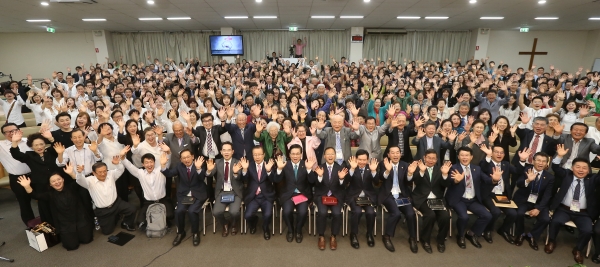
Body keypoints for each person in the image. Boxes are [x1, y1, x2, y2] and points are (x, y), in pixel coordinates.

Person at [16, 162, 93, 251]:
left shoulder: (71, 187)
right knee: (72, 246)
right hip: (65, 225)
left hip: (80, 220)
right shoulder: (49, 195)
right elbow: (35, 196)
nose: (57, 182)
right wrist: (27, 186)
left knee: (87, 240)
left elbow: (79, 182)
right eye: (53, 181)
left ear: (63, 180)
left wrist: (72, 173)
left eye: (59, 179)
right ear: (50, 184)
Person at [547, 150, 600, 265]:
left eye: (584, 168)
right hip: (564, 209)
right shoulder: (566, 175)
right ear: (572, 168)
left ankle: (578, 249)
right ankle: (552, 241)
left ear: (589, 170)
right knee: (555, 221)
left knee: (587, 230)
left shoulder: (592, 179)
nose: (581, 170)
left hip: (583, 213)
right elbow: (556, 168)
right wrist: (559, 156)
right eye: (578, 167)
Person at [446, 147, 501, 249]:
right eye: (462, 155)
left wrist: (494, 180)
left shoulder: (477, 169)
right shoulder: (453, 168)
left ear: (471, 157)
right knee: (464, 217)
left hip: (472, 199)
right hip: (459, 199)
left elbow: (486, 180)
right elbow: (449, 180)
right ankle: (460, 235)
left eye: (467, 155)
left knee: (487, 216)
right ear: (458, 157)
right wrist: (456, 181)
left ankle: (472, 233)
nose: (464, 157)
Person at [10, 130, 65, 225]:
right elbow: (16, 154)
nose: (39, 147)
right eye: (36, 145)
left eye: (41, 144)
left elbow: (58, 146)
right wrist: (14, 142)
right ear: (31, 146)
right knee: (45, 207)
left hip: (56, 183)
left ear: (45, 144)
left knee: (60, 204)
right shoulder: (29, 155)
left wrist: (51, 138)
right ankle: (51, 230)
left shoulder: (51, 152)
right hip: (41, 186)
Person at [75, 151, 136, 235]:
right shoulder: (89, 181)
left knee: (132, 209)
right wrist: (79, 173)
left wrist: (117, 164)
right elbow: (79, 180)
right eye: (100, 172)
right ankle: (114, 217)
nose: (103, 174)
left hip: (117, 203)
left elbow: (121, 169)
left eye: (105, 171)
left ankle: (126, 223)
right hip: (103, 210)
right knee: (107, 232)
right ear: (94, 173)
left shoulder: (111, 174)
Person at [407, 150, 452, 254]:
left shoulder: (440, 169)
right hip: (422, 198)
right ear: (424, 157)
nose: (431, 160)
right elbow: (415, 181)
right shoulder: (419, 168)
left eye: (433, 158)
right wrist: (422, 172)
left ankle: (441, 241)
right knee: (430, 215)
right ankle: (425, 240)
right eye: (429, 158)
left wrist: (445, 174)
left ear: (436, 160)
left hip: (437, 199)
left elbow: (445, 184)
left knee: (445, 216)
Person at [375, 146, 418, 253]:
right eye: (392, 153)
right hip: (388, 195)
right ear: (388, 155)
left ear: (400, 154)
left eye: (397, 152)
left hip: (402, 195)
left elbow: (409, 181)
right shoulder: (383, 164)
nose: (395, 155)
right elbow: (381, 178)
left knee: (410, 214)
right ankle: (387, 237)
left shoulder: (405, 165)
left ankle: (412, 238)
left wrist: (410, 174)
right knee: (396, 213)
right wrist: (388, 171)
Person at [161, 149, 207, 247]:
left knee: (192, 211)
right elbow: (169, 174)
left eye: (188, 157)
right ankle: (180, 232)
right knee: (178, 211)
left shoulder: (199, 164)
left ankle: (195, 233)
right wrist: (163, 166)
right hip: (185, 194)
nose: (186, 159)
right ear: (181, 160)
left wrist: (198, 169)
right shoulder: (179, 166)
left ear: (192, 157)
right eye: (184, 158)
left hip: (198, 194)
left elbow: (202, 178)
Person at [478, 145, 521, 244]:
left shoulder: (506, 164)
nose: (499, 154)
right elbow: (482, 168)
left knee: (513, 213)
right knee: (495, 211)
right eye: (496, 152)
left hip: (502, 194)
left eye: (501, 152)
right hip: (488, 194)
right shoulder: (486, 163)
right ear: (492, 153)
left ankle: (503, 230)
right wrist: (488, 157)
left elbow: (517, 171)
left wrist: (522, 160)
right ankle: (487, 230)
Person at [273, 144, 316, 243]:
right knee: (287, 211)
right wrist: (279, 169)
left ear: (301, 155)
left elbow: (312, 181)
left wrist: (309, 169)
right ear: (289, 154)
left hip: (302, 194)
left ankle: (298, 230)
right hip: (288, 194)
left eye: (297, 154)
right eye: (293, 154)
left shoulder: (306, 164)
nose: (295, 156)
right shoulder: (284, 164)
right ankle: (290, 230)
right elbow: (276, 179)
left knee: (303, 212)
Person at [512, 150, 554, 251]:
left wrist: (538, 208)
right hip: (523, 200)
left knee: (546, 219)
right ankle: (520, 234)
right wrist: (527, 180)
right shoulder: (526, 170)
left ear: (546, 163)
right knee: (519, 213)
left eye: (544, 161)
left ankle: (532, 236)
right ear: (533, 161)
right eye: (538, 160)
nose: (541, 163)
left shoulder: (550, 177)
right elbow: (519, 183)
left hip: (538, 203)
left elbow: (547, 195)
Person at [122, 151, 174, 229]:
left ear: (154, 162)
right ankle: (157, 220)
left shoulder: (161, 170)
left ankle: (163, 220)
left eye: (151, 162)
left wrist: (169, 153)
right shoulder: (140, 173)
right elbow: (129, 166)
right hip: (148, 202)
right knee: (140, 222)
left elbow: (167, 162)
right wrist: (122, 157)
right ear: (143, 164)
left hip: (162, 200)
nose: (149, 165)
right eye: (146, 162)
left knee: (170, 215)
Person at [310, 147, 349, 250]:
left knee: (337, 213)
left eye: (332, 154)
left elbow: (343, 186)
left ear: (335, 156)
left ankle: (333, 236)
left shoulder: (340, 168)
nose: (330, 156)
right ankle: (321, 236)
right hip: (322, 195)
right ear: (324, 156)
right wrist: (320, 177)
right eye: (328, 154)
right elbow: (316, 185)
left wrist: (341, 179)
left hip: (335, 196)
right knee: (322, 213)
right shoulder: (319, 167)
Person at [206, 142, 243, 237]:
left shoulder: (237, 162)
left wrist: (235, 173)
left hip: (235, 192)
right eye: (224, 150)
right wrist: (209, 170)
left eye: (229, 150)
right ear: (221, 152)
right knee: (216, 212)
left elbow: (240, 178)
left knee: (234, 212)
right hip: (222, 192)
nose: (226, 152)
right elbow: (209, 175)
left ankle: (234, 224)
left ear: (232, 151)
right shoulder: (217, 162)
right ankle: (225, 224)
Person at [0, 123, 34, 225]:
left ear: (19, 130)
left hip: (35, 175)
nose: (11, 133)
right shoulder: (1, 145)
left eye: (14, 130)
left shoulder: (29, 141)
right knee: (24, 204)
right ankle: (33, 228)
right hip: (17, 178)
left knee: (43, 200)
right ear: (4, 134)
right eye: (8, 132)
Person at [241, 146, 276, 240]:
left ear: (263, 155)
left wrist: (268, 170)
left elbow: (274, 179)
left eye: (259, 154)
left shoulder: (269, 164)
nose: (257, 157)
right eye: (255, 155)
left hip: (266, 195)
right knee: (247, 215)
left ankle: (265, 228)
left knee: (268, 214)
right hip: (253, 196)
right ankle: (253, 223)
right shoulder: (249, 165)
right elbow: (244, 179)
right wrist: (244, 170)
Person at [346, 150, 379, 249]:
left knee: (371, 213)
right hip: (354, 196)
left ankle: (369, 234)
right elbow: (345, 182)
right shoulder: (351, 167)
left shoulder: (371, 167)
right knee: (357, 211)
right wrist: (352, 169)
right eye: (360, 159)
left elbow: (377, 182)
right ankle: (354, 234)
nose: (362, 162)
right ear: (356, 159)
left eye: (364, 160)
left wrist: (374, 171)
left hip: (367, 197)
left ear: (367, 160)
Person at [162, 121, 197, 197]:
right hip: (176, 167)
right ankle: (180, 201)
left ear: (183, 128)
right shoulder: (169, 136)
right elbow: (162, 144)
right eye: (176, 130)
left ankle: (193, 200)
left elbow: (196, 142)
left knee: (192, 185)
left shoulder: (188, 135)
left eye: (180, 130)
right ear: (173, 130)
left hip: (189, 166)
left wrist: (191, 135)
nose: (178, 132)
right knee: (179, 187)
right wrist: (159, 135)